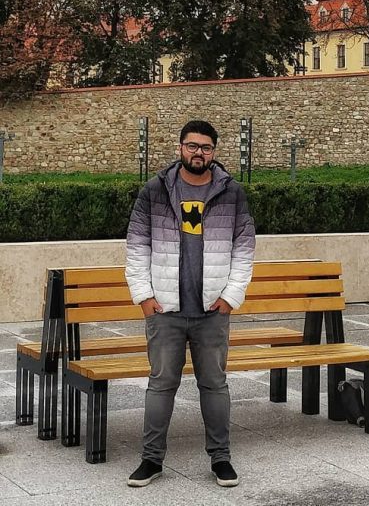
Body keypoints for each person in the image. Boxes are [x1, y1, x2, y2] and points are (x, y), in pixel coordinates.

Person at [125, 120, 256, 488]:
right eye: (192, 145)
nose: (198, 152)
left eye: (206, 147)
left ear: (214, 151)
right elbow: (137, 247)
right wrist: (145, 297)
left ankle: (221, 459)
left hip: (211, 311)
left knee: (214, 385)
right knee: (161, 385)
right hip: (165, 309)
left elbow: (244, 249)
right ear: (180, 147)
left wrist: (231, 297)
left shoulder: (231, 192)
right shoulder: (154, 190)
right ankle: (151, 460)